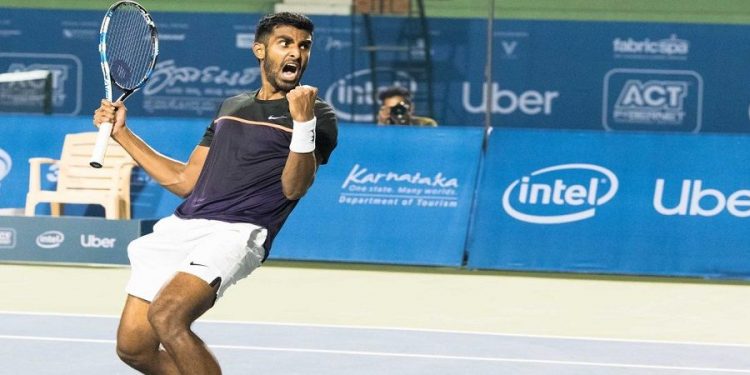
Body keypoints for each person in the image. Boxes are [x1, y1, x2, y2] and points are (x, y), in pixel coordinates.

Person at [92, 12, 337, 375]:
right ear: (260, 50)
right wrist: (122, 134)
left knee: (168, 316)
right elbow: (184, 181)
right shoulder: (231, 108)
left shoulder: (317, 113)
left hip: (238, 231)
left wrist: (303, 125)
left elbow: (295, 187)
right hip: (184, 226)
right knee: (134, 349)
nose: (297, 53)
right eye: (285, 43)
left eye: (304, 46)